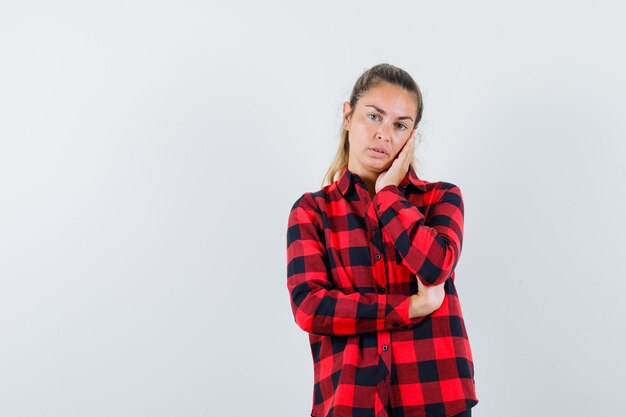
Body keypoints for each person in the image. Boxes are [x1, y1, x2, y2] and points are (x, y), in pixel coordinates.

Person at [286, 63, 478, 417]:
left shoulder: (441, 199)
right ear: (347, 116)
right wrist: (409, 307)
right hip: (351, 401)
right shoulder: (312, 211)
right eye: (374, 117)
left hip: (436, 398)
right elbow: (310, 307)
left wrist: (388, 194)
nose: (384, 134)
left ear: (412, 136)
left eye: (399, 125)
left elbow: (435, 266)